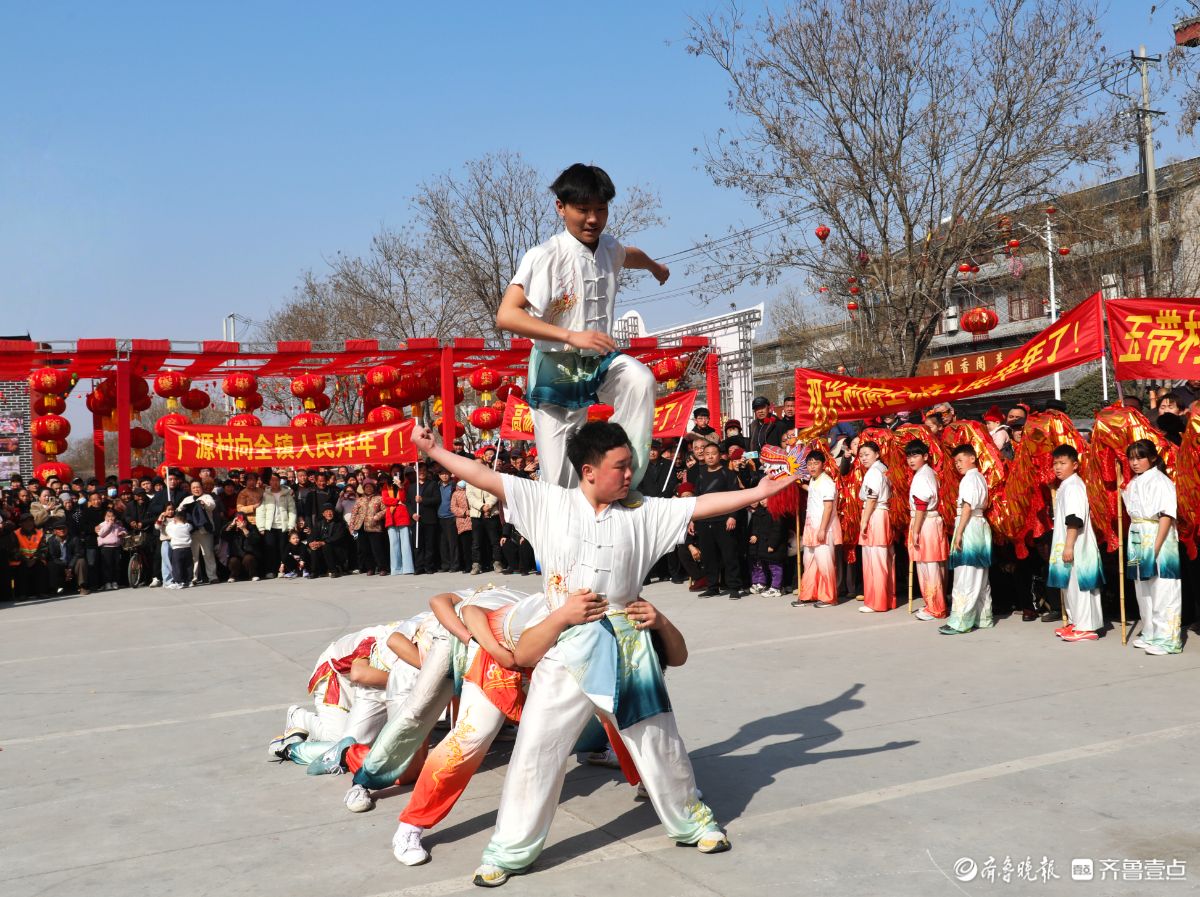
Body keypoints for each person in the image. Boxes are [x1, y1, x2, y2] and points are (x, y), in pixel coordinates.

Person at [411, 420, 797, 887]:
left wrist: (760, 491)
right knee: (537, 748)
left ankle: (693, 822)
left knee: (658, 741)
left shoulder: (644, 511)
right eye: (621, 466)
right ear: (589, 470)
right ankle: (509, 850)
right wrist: (436, 451)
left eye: (631, 465)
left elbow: (702, 505)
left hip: (628, 643)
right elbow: (483, 476)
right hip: (565, 639)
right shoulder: (547, 503)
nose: (630, 474)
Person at [495, 163, 669, 491]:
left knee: (640, 381)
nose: (592, 219)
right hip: (557, 368)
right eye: (583, 210)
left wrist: (655, 268)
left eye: (601, 210)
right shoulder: (544, 255)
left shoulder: (609, 248)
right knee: (559, 482)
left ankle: (620, 479)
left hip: (600, 359)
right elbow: (507, 314)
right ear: (561, 207)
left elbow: (630, 254)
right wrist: (570, 335)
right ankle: (562, 522)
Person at [1123, 440, 1182, 655]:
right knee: (1143, 588)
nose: (1135, 463)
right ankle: (1150, 631)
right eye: (1131, 458)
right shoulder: (1134, 482)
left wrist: (1156, 547)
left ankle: (1168, 638)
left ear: (1153, 458)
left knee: (1162, 588)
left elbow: (1166, 514)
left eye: (1140, 458)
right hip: (1137, 534)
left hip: (1156, 535)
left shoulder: (1161, 481)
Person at [1048, 445, 1105, 642]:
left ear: (1075, 464)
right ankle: (1075, 621)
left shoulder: (1073, 486)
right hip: (1067, 543)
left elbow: (1074, 519)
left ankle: (1086, 626)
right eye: (1055, 463)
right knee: (1069, 586)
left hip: (1077, 544)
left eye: (1062, 463)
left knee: (1081, 585)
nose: (1057, 467)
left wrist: (1069, 545)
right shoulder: (1065, 485)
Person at [939, 445, 994, 635]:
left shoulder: (969, 479)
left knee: (966, 576)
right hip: (979, 525)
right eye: (955, 462)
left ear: (972, 458)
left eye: (960, 460)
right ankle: (983, 617)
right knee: (980, 575)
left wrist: (959, 532)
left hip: (970, 525)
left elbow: (967, 506)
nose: (957, 465)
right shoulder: (979, 478)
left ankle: (960, 621)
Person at [691, 440, 744, 600]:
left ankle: (734, 587)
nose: (710, 457)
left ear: (720, 455)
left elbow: (735, 496)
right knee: (709, 556)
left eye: (713, 454)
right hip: (704, 520)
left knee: (729, 555)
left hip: (724, 520)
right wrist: (692, 518)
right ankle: (712, 586)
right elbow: (695, 498)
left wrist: (732, 516)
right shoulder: (700, 474)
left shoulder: (727, 474)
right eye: (707, 454)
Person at [905, 440, 948, 622]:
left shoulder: (923, 475)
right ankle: (933, 603)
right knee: (930, 566)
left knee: (929, 567)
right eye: (908, 456)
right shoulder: (926, 473)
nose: (911, 460)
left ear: (925, 456)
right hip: (928, 521)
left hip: (925, 522)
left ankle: (936, 608)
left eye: (915, 455)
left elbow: (921, 505)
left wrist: (915, 531)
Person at [793, 451, 839, 608]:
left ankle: (829, 597)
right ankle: (808, 594)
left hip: (823, 528)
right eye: (810, 464)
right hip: (810, 527)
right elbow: (812, 490)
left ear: (823, 464)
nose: (812, 467)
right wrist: (797, 482)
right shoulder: (814, 480)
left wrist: (822, 529)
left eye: (816, 463)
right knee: (809, 562)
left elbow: (828, 507)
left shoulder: (827, 482)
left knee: (825, 563)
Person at [857, 441, 896, 613]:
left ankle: (877, 601)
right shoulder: (882, 469)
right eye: (861, 455)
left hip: (875, 514)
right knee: (882, 559)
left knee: (875, 560)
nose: (863, 458)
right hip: (880, 514)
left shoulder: (874, 472)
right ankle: (886, 599)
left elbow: (871, 497)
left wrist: (864, 520)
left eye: (867, 454)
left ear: (877, 454)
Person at [178, 480, 219, 585]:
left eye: (198, 487)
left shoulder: (207, 497)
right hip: (191, 531)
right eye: (193, 488)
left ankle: (212, 577)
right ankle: (193, 578)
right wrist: (183, 508)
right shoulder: (187, 499)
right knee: (193, 556)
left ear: (202, 487)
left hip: (205, 530)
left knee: (208, 553)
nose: (196, 489)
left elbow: (212, 505)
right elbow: (179, 510)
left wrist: (203, 504)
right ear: (191, 489)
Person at [256, 473, 296, 578]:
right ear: (269, 482)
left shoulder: (286, 494)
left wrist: (291, 525)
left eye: (276, 480)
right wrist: (261, 527)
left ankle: (283, 569)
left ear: (280, 481)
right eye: (272, 480)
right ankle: (271, 571)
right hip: (269, 526)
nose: (275, 482)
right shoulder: (265, 494)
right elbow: (260, 510)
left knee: (283, 549)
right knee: (270, 549)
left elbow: (292, 510)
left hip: (283, 526)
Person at [467, 469, 503, 575]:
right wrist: (482, 507)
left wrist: (489, 505)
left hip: (491, 513)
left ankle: (497, 562)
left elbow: (495, 493)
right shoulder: (470, 479)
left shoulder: (491, 478)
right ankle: (476, 564)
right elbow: (470, 497)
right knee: (476, 542)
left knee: (494, 540)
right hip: (477, 514)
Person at [747, 499, 786, 598]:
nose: (762, 501)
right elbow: (757, 527)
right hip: (763, 544)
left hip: (773, 545)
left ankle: (776, 587)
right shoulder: (760, 512)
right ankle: (764, 584)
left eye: (764, 499)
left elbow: (778, 530)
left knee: (775, 567)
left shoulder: (776, 512)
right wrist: (755, 535)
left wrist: (772, 544)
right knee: (764, 565)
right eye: (760, 500)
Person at [379, 472, 415, 576]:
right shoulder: (386, 486)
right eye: (394, 473)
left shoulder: (404, 485)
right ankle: (396, 569)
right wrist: (397, 501)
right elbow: (385, 500)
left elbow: (404, 499)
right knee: (393, 544)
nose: (396, 475)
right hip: (391, 517)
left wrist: (400, 486)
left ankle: (407, 568)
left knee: (405, 543)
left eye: (397, 473)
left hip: (403, 516)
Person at [350, 481, 388, 575]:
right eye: (366, 487)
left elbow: (385, 509)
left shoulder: (379, 498)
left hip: (374, 526)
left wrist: (378, 516)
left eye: (370, 487)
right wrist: (351, 527)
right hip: (361, 527)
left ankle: (382, 567)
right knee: (365, 549)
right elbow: (354, 513)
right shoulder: (360, 500)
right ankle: (370, 568)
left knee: (377, 549)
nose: (368, 489)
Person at [412, 464, 441, 574]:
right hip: (417, 520)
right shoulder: (412, 486)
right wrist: (412, 514)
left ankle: (429, 566)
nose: (422, 472)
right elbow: (409, 503)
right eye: (420, 470)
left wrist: (423, 500)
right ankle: (419, 567)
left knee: (429, 544)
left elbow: (437, 499)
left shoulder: (433, 484)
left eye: (424, 470)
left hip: (429, 519)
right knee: (418, 544)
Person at [159, 504, 193, 589]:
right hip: (187, 548)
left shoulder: (171, 526)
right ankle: (188, 581)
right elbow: (190, 527)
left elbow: (167, 529)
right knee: (188, 565)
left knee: (177, 566)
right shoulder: (187, 526)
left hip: (177, 549)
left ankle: (178, 582)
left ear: (174, 519)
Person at [309, 505, 349, 578]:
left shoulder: (339, 523)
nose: (329, 513)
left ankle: (333, 571)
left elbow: (337, 537)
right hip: (322, 547)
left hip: (336, 549)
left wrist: (324, 542)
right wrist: (312, 542)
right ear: (323, 514)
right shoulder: (319, 523)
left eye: (330, 511)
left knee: (326, 546)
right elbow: (313, 535)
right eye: (326, 512)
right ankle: (314, 572)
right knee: (314, 547)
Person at [222, 512, 263, 581]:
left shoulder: (251, 527)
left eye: (242, 520)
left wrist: (244, 529)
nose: (240, 522)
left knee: (248, 559)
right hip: (236, 554)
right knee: (233, 561)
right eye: (238, 520)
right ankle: (233, 576)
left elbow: (255, 540)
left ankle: (253, 575)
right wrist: (231, 525)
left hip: (249, 553)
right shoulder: (232, 529)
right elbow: (224, 536)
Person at [95, 509, 127, 591]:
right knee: (107, 566)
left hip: (116, 546)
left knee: (116, 565)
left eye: (112, 516)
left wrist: (122, 533)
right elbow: (101, 533)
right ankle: (107, 582)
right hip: (106, 547)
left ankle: (115, 581)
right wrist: (109, 524)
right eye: (108, 516)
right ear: (105, 517)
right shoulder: (102, 524)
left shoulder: (118, 524)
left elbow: (124, 530)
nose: (110, 518)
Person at [435, 468, 458, 572]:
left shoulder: (454, 486)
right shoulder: (437, 486)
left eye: (446, 473)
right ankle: (445, 565)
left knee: (452, 543)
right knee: (442, 543)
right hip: (440, 517)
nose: (444, 476)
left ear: (450, 474)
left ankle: (455, 565)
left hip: (451, 517)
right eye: (442, 474)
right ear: (439, 475)